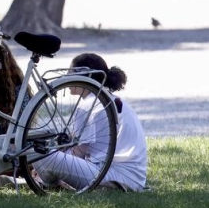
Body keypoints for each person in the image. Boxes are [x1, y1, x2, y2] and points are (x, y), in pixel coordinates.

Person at [32, 53, 148, 192]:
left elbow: (78, 153)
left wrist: (47, 164)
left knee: (38, 152)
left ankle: (44, 182)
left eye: (70, 73)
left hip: (112, 177)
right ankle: (44, 180)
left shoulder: (88, 104)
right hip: (134, 179)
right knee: (49, 156)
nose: (66, 78)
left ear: (82, 75)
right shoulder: (108, 98)